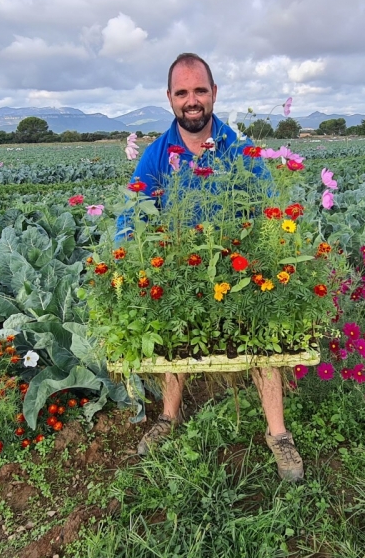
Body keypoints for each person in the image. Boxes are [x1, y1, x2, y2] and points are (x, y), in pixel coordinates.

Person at [122, 52, 304, 482]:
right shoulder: (155, 155)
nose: (192, 100)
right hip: (183, 267)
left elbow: (267, 208)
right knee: (168, 315)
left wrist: (267, 252)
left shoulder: (238, 150)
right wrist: (126, 255)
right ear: (169, 98)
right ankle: (168, 417)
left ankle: (277, 433)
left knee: (263, 323)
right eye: (182, 92)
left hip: (235, 267)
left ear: (214, 94)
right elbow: (132, 213)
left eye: (199, 90)